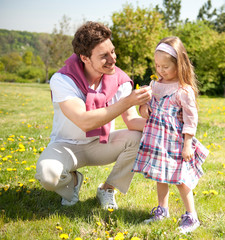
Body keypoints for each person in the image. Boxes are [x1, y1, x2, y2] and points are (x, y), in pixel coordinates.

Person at [35, 21, 152, 209]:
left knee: (139, 137)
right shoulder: (63, 79)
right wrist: (128, 101)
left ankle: (107, 188)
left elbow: (131, 120)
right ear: (85, 58)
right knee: (48, 176)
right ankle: (72, 182)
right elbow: (84, 121)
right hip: (66, 145)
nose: (113, 59)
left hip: (100, 144)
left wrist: (163, 125)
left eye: (112, 51)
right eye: (104, 56)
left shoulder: (120, 80)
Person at [132, 36, 209, 234]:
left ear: (179, 64)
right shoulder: (155, 86)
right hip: (158, 141)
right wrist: (143, 108)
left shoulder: (184, 91)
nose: (160, 70)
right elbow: (146, 110)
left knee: (182, 180)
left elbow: (191, 120)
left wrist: (187, 144)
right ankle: (162, 210)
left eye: (165, 66)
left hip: (176, 142)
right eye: (157, 65)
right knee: (161, 177)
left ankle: (191, 216)